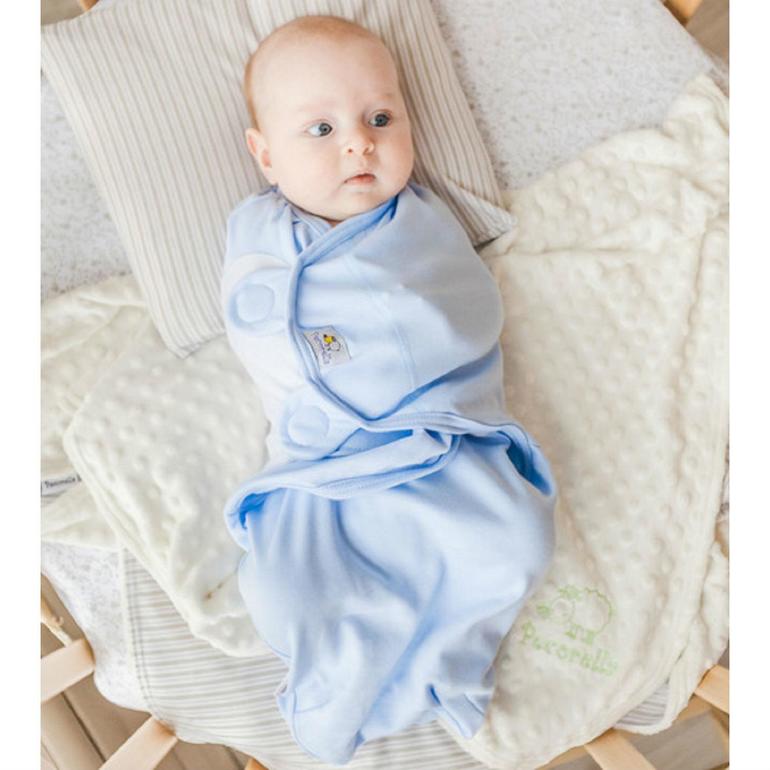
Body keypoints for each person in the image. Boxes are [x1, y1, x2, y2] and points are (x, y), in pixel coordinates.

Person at [221, 15, 557, 766]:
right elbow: (257, 326)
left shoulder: (424, 224)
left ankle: (453, 659)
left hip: (440, 441)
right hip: (327, 465)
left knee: (517, 541)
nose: (359, 144)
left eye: (380, 118)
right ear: (266, 155)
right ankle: (336, 676)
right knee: (281, 586)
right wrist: (341, 367)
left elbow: (463, 316)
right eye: (321, 129)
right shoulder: (257, 233)